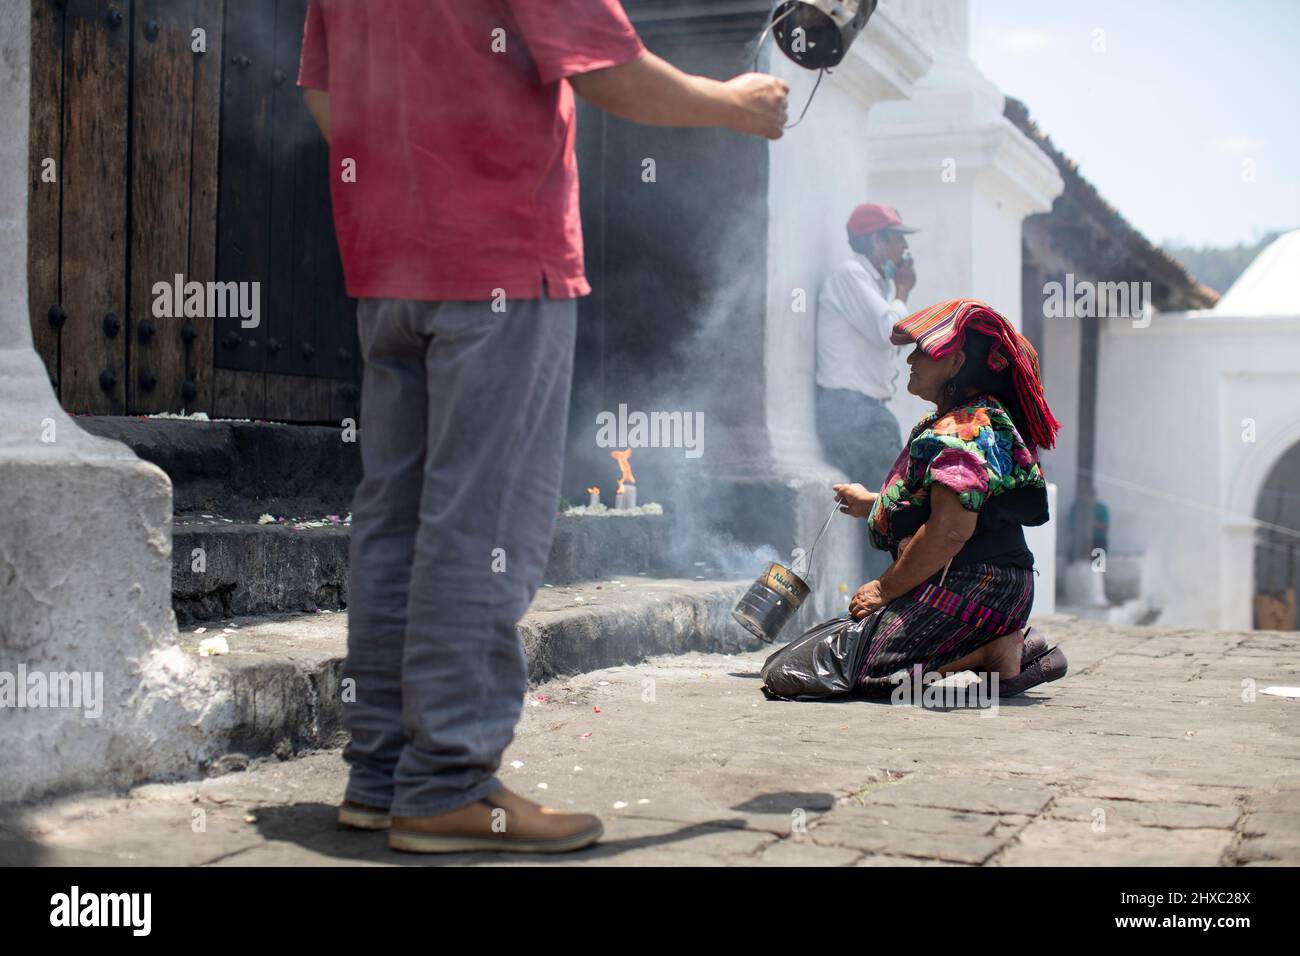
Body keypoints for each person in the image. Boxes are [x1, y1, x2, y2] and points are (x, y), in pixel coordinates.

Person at [296, 0, 789, 854]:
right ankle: (447, 782)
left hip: (388, 263)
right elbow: (610, 70)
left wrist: (407, 173)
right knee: (477, 520)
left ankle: (380, 776)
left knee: (396, 519)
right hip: (499, 262)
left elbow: (323, 96)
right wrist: (733, 104)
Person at [830, 298, 1068, 698]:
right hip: (967, 582)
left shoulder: (965, 430)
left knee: (853, 667)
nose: (910, 361)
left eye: (922, 351)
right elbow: (939, 505)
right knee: (834, 653)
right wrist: (872, 503)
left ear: (955, 363)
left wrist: (884, 589)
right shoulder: (954, 421)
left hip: (981, 586)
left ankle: (994, 650)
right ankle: (991, 647)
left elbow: (950, 530)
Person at [815, 203, 918, 580]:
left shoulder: (876, 284)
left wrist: (895, 289)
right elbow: (891, 331)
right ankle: (879, 601)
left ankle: (882, 594)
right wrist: (903, 290)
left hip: (866, 413)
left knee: (891, 505)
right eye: (897, 240)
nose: (903, 251)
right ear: (876, 241)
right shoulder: (851, 274)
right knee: (888, 509)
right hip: (849, 412)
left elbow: (892, 338)